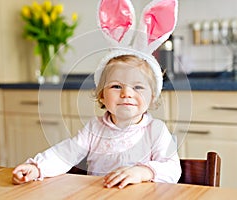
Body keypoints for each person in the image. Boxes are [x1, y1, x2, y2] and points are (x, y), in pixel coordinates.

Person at [13, 0, 180, 189]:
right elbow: (66, 153)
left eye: (138, 87)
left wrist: (142, 172)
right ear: (101, 95)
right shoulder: (94, 130)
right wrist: (37, 168)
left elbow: (173, 169)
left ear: (152, 97)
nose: (126, 94)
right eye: (116, 86)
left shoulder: (156, 131)